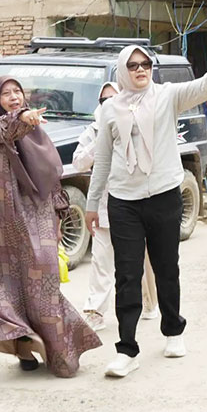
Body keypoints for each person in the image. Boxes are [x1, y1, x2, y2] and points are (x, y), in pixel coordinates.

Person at [86, 44, 207, 377]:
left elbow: (202, 87)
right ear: (122, 70)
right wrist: (91, 204)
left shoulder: (167, 96)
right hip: (123, 201)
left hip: (163, 195)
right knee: (126, 275)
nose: (140, 70)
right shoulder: (111, 108)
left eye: (145, 64)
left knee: (166, 268)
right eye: (133, 65)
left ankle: (173, 330)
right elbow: (102, 159)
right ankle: (127, 349)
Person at [0, 76, 102, 380]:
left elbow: (51, 180)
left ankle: (27, 350)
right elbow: (4, 128)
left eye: (17, 93)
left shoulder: (36, 136)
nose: (13, 97)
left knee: (34, 288)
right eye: (6, 94)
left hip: (32, 221)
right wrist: (23, 117)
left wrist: (58, 219)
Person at [72, 82, 159, 332]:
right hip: (102, 207)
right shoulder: (93, 131)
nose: (108, 104)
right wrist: (100, 139)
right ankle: (95, 311)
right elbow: (79, 163)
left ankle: (149, 302)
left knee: (139, 260)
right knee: (101, 261)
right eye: (103, 100)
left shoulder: (134, 126)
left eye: (113, 98)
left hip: (134, 205)